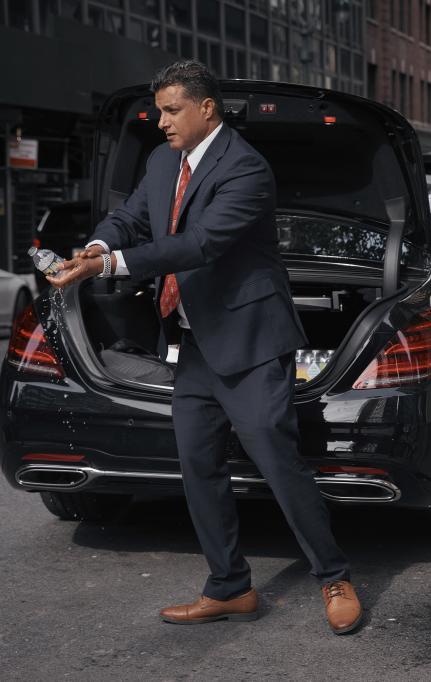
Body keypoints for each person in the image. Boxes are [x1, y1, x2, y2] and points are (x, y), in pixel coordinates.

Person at [46, 59, 362, 635]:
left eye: (172, 111)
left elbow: (201, 242)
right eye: (159, 111)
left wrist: (108, 265)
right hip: (194, 344)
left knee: (278, 463)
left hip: (252, 341)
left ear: (205, 108)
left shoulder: (246, 168)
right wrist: (96, 245)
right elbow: (133, 216)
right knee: (198, 466)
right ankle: (229, 587)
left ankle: (334, 577)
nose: (162, 121)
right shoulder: (163, 160)